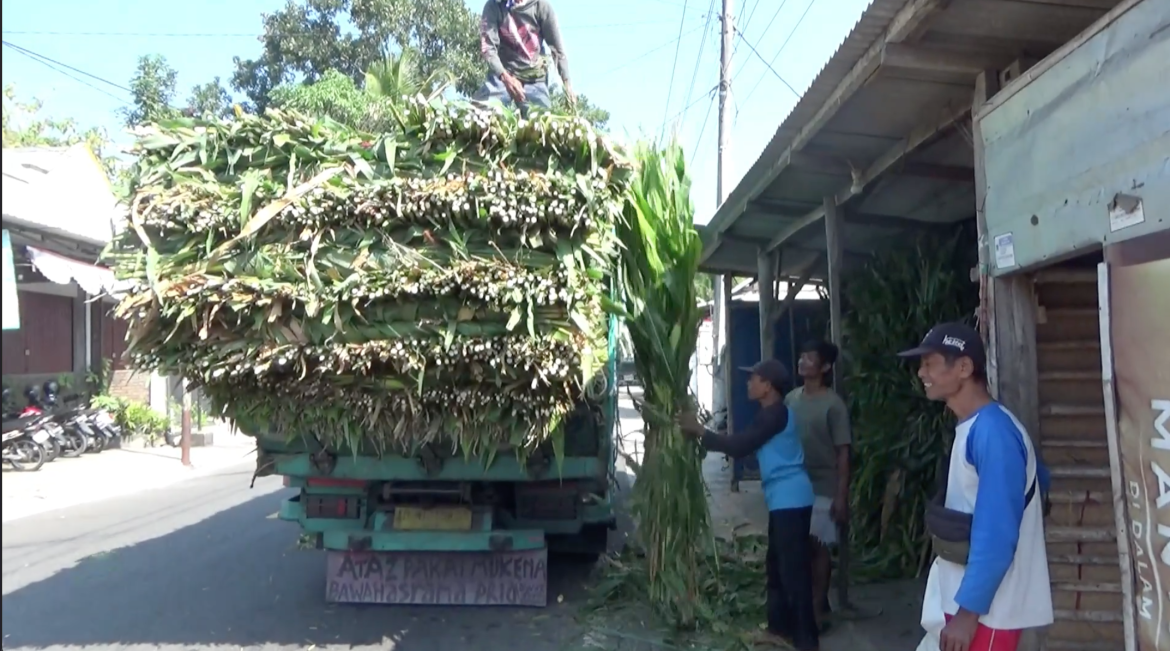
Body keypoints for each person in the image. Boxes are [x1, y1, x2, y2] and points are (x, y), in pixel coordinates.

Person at [898, 323, 1053, 651]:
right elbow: (1040, 480)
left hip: (988, 613)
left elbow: (996, 534)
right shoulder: (980, 426)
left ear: (964, 368)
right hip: (971, 602)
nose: (921, 372)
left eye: (930, 363)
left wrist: (968, 614)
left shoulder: (993, 433)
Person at [679, 359, 819, 651]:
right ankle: (779, 629)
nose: (748, 383)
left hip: (791, 499)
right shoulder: (770, 413)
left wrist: (701, 432)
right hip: (783, 498)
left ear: (767, 386)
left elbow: (740, 446)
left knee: (793, 572)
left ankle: (807, 641)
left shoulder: (775, 415)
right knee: (777, 567)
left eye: (753, 379)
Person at [785, 340, 851, 629]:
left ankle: (817, 608)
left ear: (824, 367)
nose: (802, 361)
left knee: (819, 546)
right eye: (801, 356)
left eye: (810, 358)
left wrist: (841, 496)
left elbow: (843, 453)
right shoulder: (791, 399)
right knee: (799, 547)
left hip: (823, 484)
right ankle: (805, 604)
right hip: (794, 483)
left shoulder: (833, 405)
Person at [477, 0, 574, 113]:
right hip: (504, 75)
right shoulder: (494, 6)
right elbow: (488, 49)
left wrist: (568, 87)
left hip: (534, 80)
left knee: (540, 121)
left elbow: (558, 50)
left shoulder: (540, 6)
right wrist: (505, 77)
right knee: (486, 114)